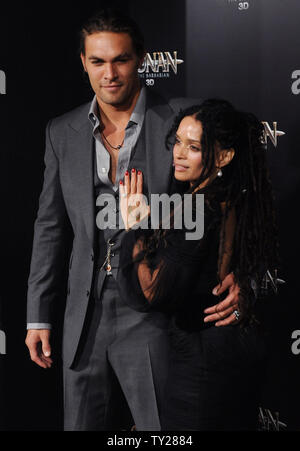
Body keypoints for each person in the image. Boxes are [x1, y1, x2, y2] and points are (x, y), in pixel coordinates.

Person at [25, 9, 240, 431]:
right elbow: (49, 227)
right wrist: (38, 314)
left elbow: (225, 197)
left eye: (120, 59)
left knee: (164, 432)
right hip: (83, 313)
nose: (110, 73)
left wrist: (237, 270)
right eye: (98, 61)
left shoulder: (181, 119)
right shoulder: (61, 131)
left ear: (140, 58)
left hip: (154, 310)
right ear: (83, 62)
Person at [118, 99, 279, 430]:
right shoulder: (228, 196)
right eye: (178, 141)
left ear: (223, 156)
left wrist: (134, 225)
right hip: (225, 354)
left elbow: (151, 292)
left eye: (193, 147)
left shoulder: (198, 208)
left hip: (202, 366)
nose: (178, 153)